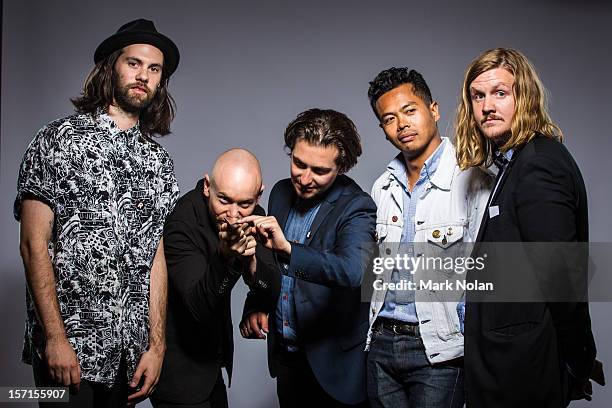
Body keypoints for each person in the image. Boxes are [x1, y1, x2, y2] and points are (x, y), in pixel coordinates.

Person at [14, 19, 180, 407]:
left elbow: (155, 259)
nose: (144, 76)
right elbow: (32, 244)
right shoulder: (56, 139)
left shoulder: (158, 162)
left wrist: (156, 347)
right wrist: (55, 338)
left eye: (154, 69)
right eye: (134, 63)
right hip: (67, 353)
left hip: (128, 355)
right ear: (111, 67)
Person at [455, 47, 598, 407]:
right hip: (508, 365)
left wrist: (578, 362)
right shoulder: (514, 163)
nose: (487, 105)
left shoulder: (539, 164)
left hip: (524, 369)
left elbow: (561, 274)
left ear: (525, 97)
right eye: (478, 95)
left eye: (501, 93)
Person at [364, 67, 492, 407]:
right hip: (381, 344)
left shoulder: (472, 178)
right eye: (389, 118)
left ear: (433, 110)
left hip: (439, 348)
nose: (402, 124)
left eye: (410, 110)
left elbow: (489, 268)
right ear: (383, 129)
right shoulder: (382, 187)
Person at [240, 109, 376, 407]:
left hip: (333, 369)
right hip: (288, 362)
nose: (304, 178)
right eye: (298, 163)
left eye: (319, 170)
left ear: (341, 168)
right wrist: (258, 303)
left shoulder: (357, 207)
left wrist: (289, 249)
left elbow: (353, 271)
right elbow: (271, 266)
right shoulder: (279, 193)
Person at [152, 149, 279, 408]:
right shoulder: (181, 223)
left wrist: (251, 263)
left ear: (258, 195)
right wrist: (225, 258)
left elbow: (272, 286)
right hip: (179, 372)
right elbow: (197, 306)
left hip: (213, 364)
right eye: (224, 200)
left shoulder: (254, 216)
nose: (233, 215)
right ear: (208, 186)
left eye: (244, 204)